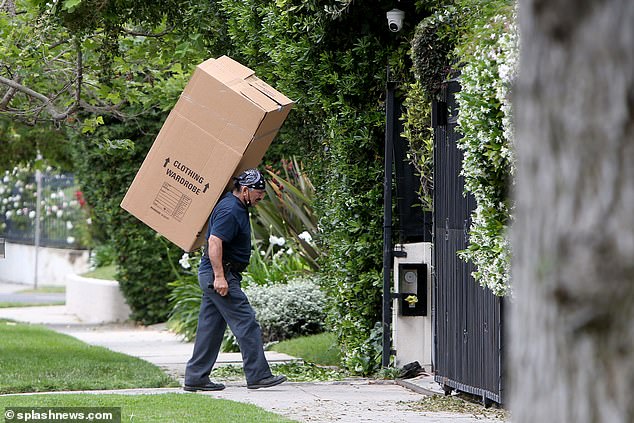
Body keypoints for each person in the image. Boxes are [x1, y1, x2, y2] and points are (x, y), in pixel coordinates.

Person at [183, 168, 286, 391]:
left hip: (217, 274)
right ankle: (258, 375)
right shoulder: (230, 209)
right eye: (259, 192)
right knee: (246, 322)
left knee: (210, 328)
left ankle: (196, 377)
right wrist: (220, 276)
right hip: (220, 275)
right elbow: (214, 242)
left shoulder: (236, 205)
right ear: (246, 190)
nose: (262, 196)